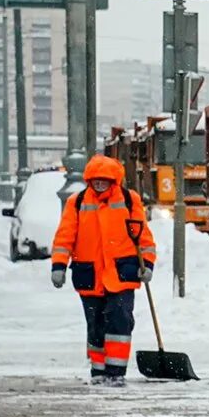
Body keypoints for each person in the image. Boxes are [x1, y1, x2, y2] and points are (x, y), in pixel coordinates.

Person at [50, 155, 156, 386]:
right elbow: (64, 236)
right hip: (90, 274)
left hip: (121, 274)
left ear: (114, 181)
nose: (99, 184)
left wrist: (147, 264)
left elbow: (143, 237)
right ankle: (98, 372)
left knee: (120, 321)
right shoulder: (77, 203)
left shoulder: (129, 200)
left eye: (104, 180)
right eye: (96, 180)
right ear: (89, 180)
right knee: (96, 324)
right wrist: (58, 265)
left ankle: (116, 372)